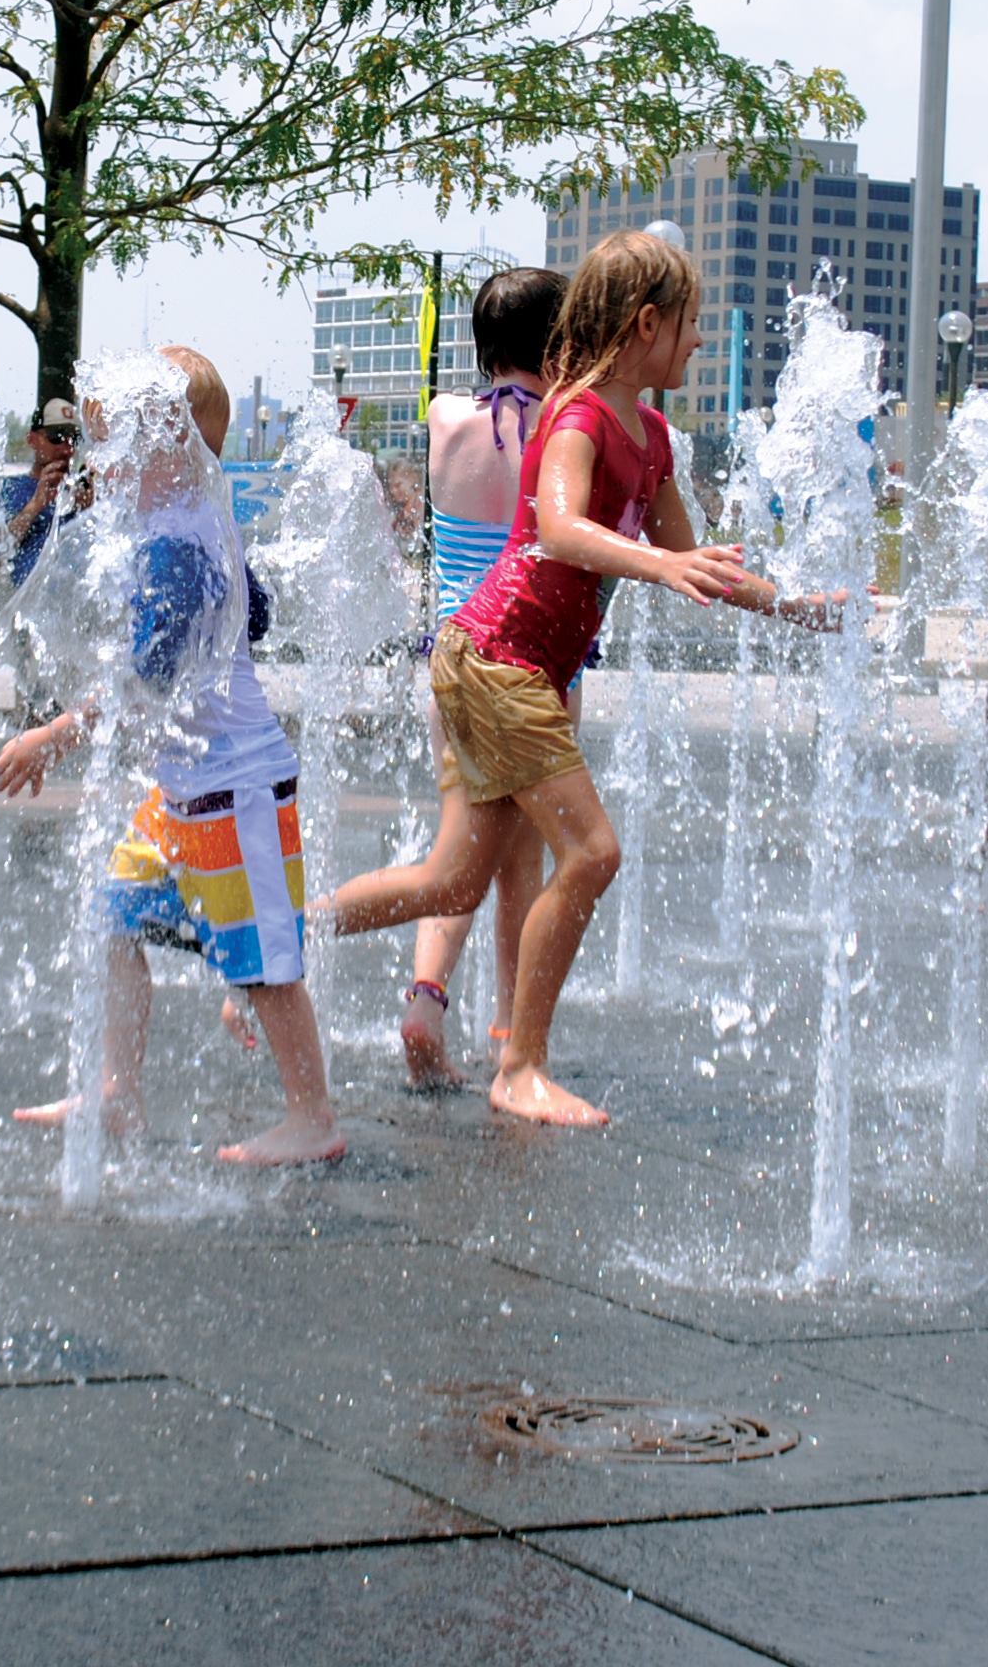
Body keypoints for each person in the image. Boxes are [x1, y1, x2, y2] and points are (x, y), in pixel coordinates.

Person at [314, 233, 823, 1127]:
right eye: (692, 324)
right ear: (646, 325)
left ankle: (271, 935)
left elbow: (690, 554)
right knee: (592, 853)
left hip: (514, 670)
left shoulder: (653, 435)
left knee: (451, 883)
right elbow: (556, 527)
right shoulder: (578, 417)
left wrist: (799, 607)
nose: (701, 342)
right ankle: (521, 1067)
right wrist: (658, 568)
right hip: (498, 658)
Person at [0, 346, 342, 1167]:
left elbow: (144, 681)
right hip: (180, 787)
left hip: (235, 787)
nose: (101, 464)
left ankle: (313, 1117)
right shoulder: (194, 521)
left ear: (168, 449)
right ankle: (117, 1088)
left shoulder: (178, 545)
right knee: (115, 915)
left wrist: (52, 734)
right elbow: (255, 611)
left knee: (267, 963)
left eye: (115, 447)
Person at [395, 266, 565, 1089]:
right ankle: (511, 1035)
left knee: (457, 843)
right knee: (520, 865)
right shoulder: (562, 433)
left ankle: (427, 1000)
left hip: (450, 659)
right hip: (533, 663)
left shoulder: (444, 418)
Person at [2, 397, 81, 583]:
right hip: (24, 602)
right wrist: (35, 505)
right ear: (32, 439)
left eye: (73, 439)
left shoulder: (79, 492)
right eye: (57, 436)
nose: (66, 448)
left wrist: (89, 510)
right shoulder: (11, 489)